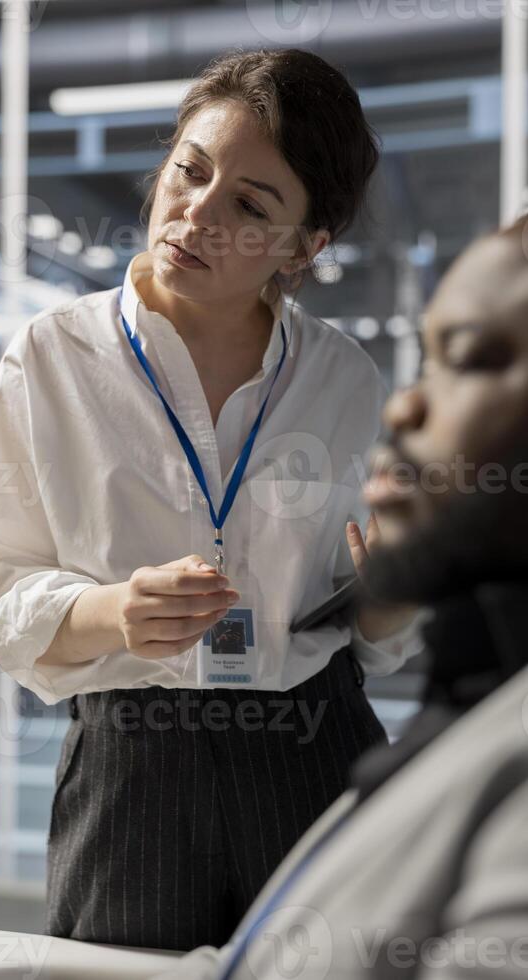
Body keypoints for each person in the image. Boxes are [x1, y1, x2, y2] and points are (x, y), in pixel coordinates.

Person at [0, 47, 423, 952]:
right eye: (189, 172)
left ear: (305, 246)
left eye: (250, 204)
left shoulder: (344, 380)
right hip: (132, 765)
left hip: (313, 744)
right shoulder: (51, 357)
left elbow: (369, 625)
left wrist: (387, 601)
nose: (196, 213)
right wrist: (110, 611)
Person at [151, 216, 528, 978]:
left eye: (471, 360)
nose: (404, 410)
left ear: (306, 244)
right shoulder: (479, 701)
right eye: (427, 361)